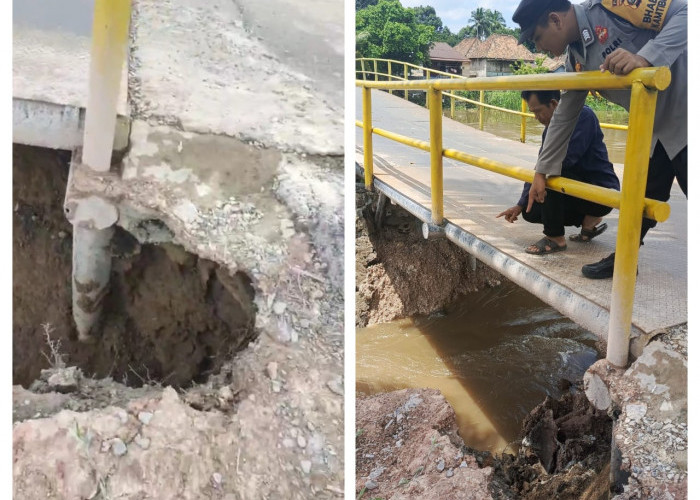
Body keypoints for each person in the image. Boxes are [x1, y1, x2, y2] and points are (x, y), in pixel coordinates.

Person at [512, 0, 687, 278]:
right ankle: (624, 259)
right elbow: (563, 117)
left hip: (687, 116)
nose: (540, 48)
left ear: (556, 20)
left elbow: (687, 12)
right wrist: (541, 172)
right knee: (640, 198)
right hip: (653, 130)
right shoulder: (575, 60)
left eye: (537, 38)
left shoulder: (613, 7)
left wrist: (646, 58)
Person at [497, 89, 620, 254]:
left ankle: (555, 238)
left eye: (538, 111)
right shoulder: (550, 129)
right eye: (533, 113)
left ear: (554, 104)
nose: (536, 117)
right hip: (575, 190)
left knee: (552, 175)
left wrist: (542, 172)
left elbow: (564, 161)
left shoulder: (583, 116)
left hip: (600, 192)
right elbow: (540, 167)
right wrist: (520, 204)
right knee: (530, 211)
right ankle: (588, 220)